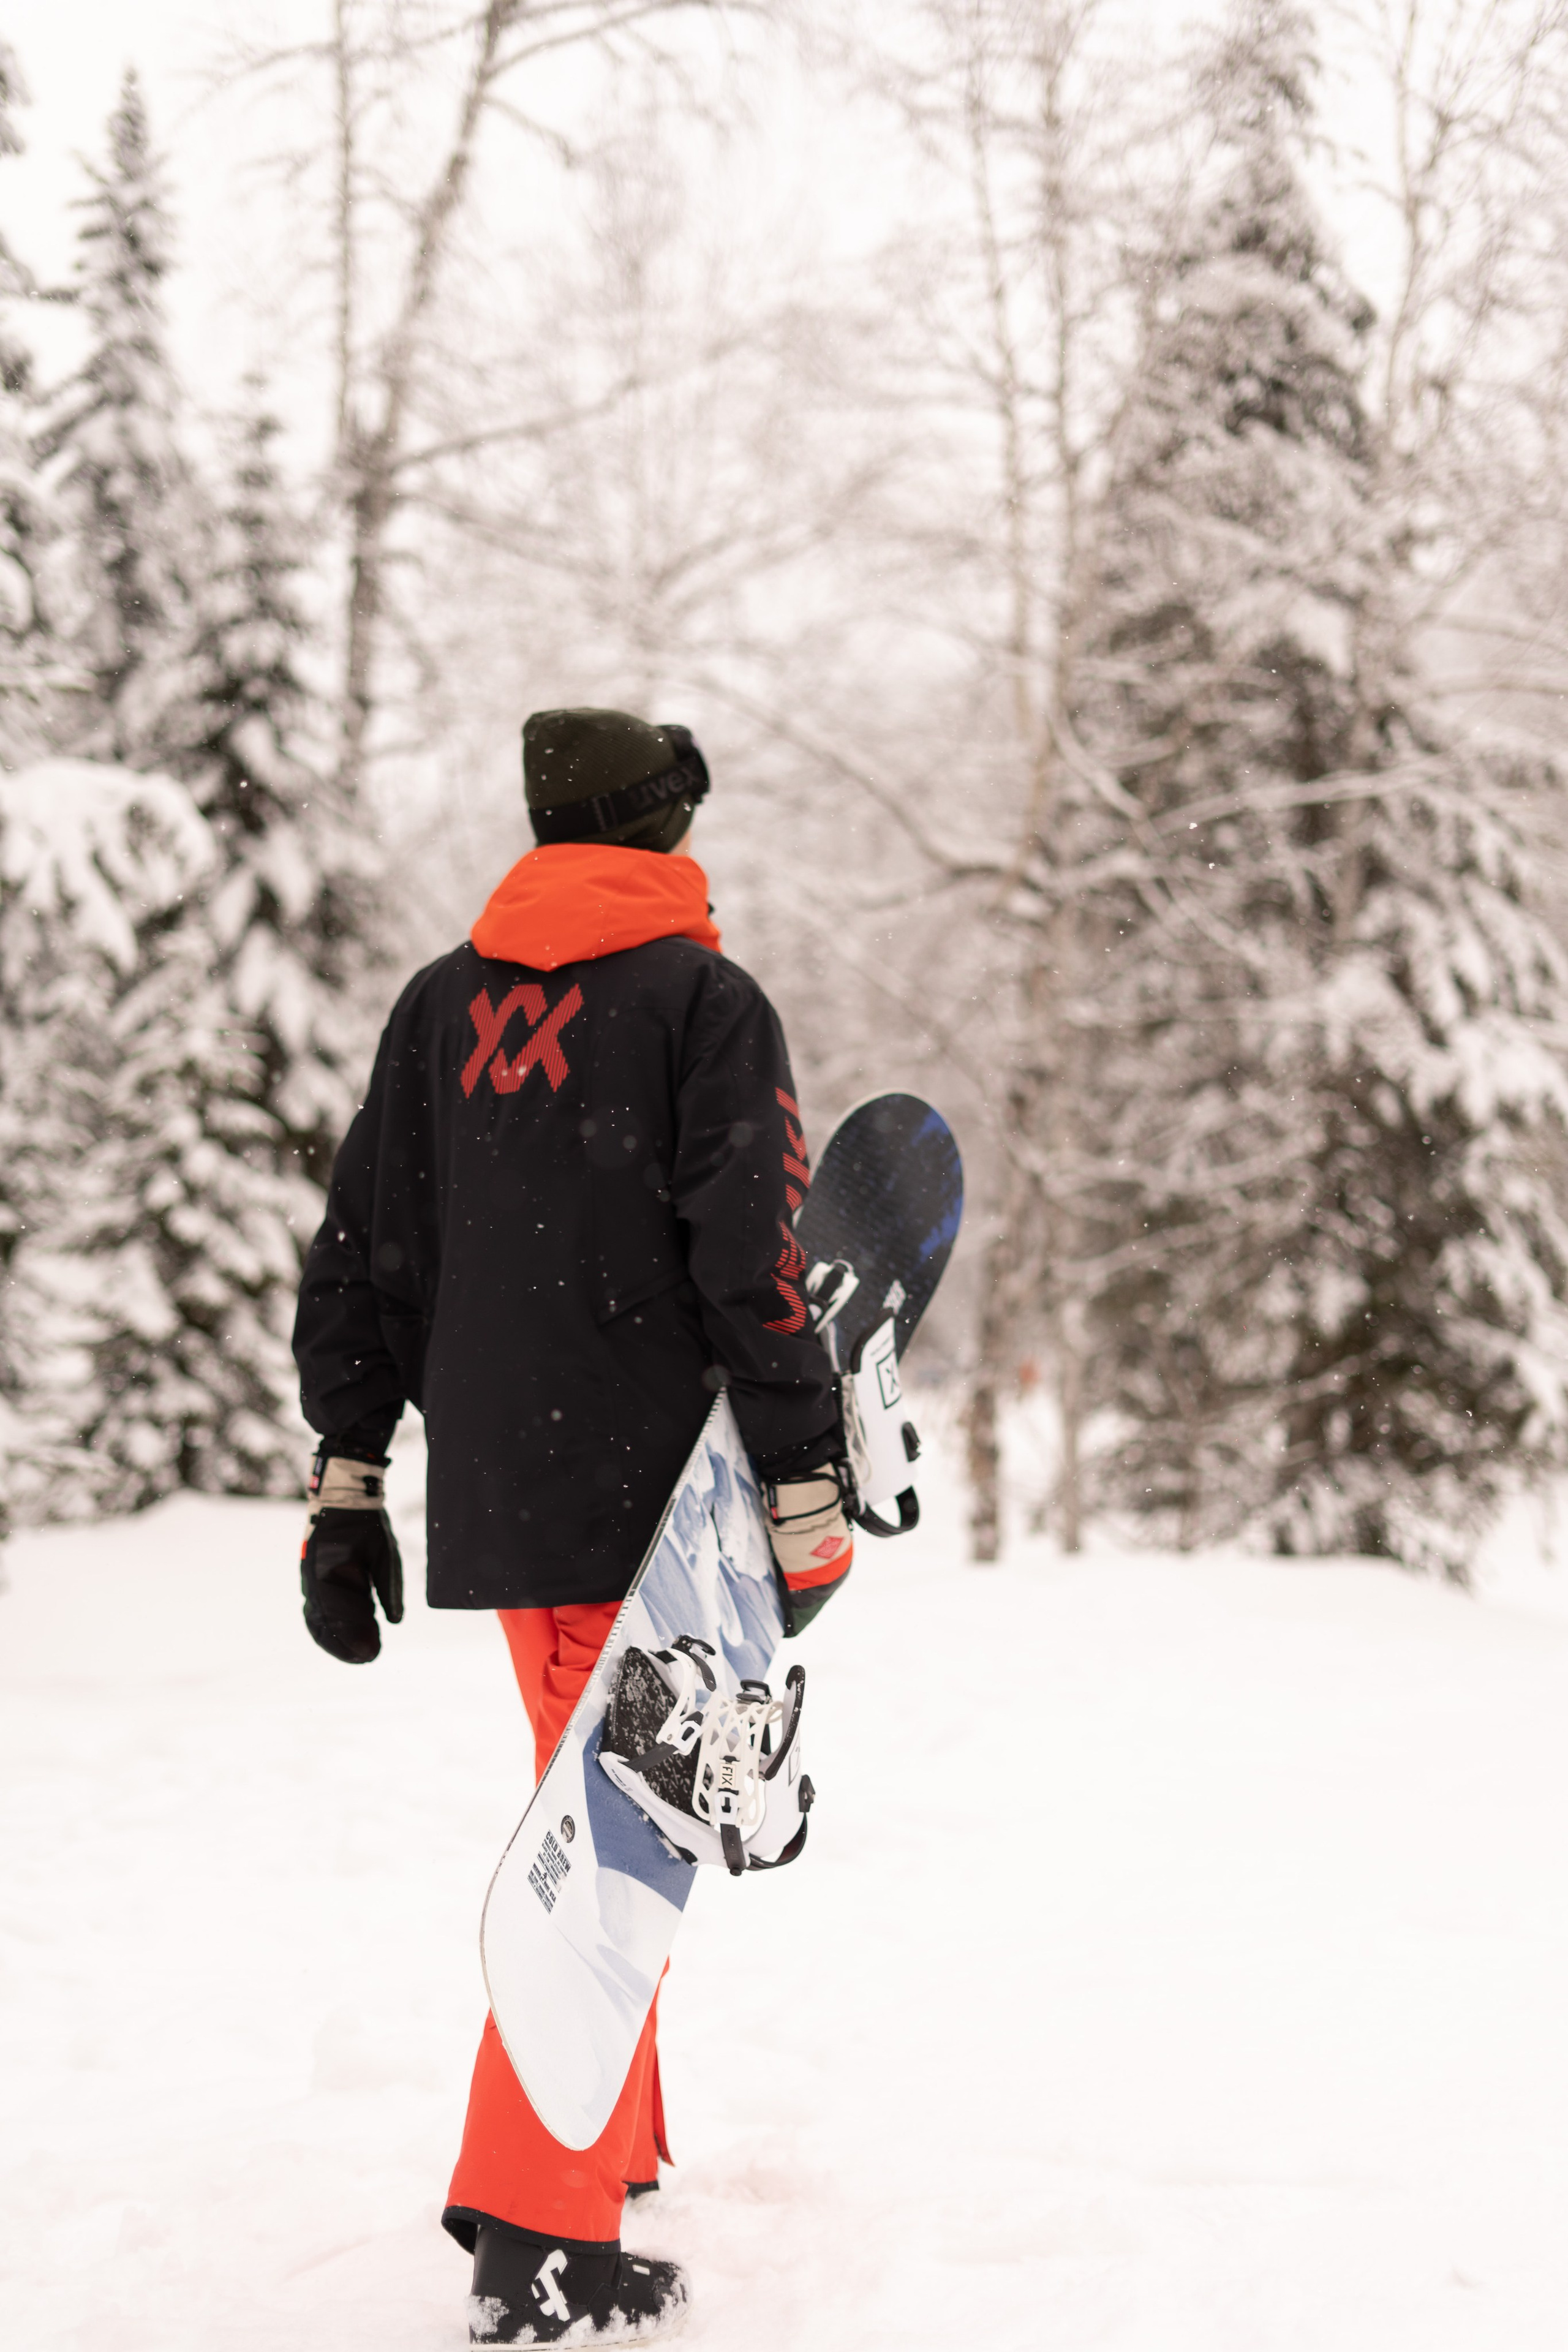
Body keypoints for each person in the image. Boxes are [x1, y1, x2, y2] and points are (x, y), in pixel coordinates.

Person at [292, 707, 852, 2346]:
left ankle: (604, 2150)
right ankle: (537, 2239)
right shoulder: (703, 1003)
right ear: (663, 831)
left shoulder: (439, 1004)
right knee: (613, 1853)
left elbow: (364, 1257)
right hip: (660, 1502)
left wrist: (348, 1483)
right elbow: (750, 1254)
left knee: (606, 1815)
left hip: (507, 1487)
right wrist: (804, 1476)